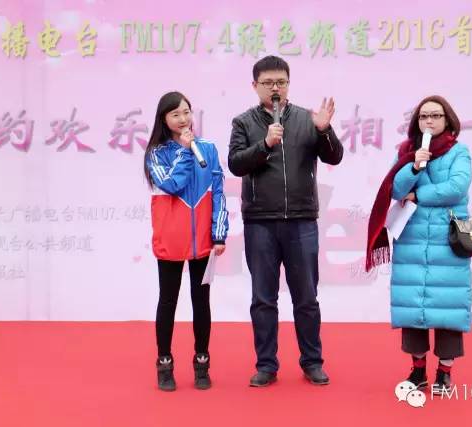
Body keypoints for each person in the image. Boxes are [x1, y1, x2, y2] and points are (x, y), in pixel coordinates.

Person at [228, 56, 344, 387]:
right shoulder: (243, 122)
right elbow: (235, 163)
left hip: (301, 221)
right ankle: (266, 364)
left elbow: (334, 156)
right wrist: (265, 144)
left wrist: (324, 130)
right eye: (268, 83)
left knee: (306, 298)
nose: (275, 88)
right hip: (260, 222)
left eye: (281, 82)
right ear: (255, 86)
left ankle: (312, 362)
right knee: (263, 299)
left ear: (289, 84)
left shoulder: (308, 119)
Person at [366, 95, 472, 394]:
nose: (429, 121)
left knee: (448, 308)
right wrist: (414, 167)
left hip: (447, 240)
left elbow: (457, 187)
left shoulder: (459, 152)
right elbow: (395, 189)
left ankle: (444, 373)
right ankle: (417, 371)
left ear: (447, 120)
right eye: (424, 116)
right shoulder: (407, 151)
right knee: (412, 307)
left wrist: (420, 195)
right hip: (411, 238)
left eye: (436, 116)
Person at [144, 91, 228, 391]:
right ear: (164, 119)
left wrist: (219, 232)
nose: (183, 119)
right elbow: (172, 184)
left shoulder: (208, 149)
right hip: (170, 240)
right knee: (168, 301)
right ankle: (164, 362)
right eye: (176, 114)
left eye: (186, 112)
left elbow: (218, 192)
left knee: (201, 301)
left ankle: (202, 362)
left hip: (202, 241)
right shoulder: (156, 154)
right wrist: (184, 151)